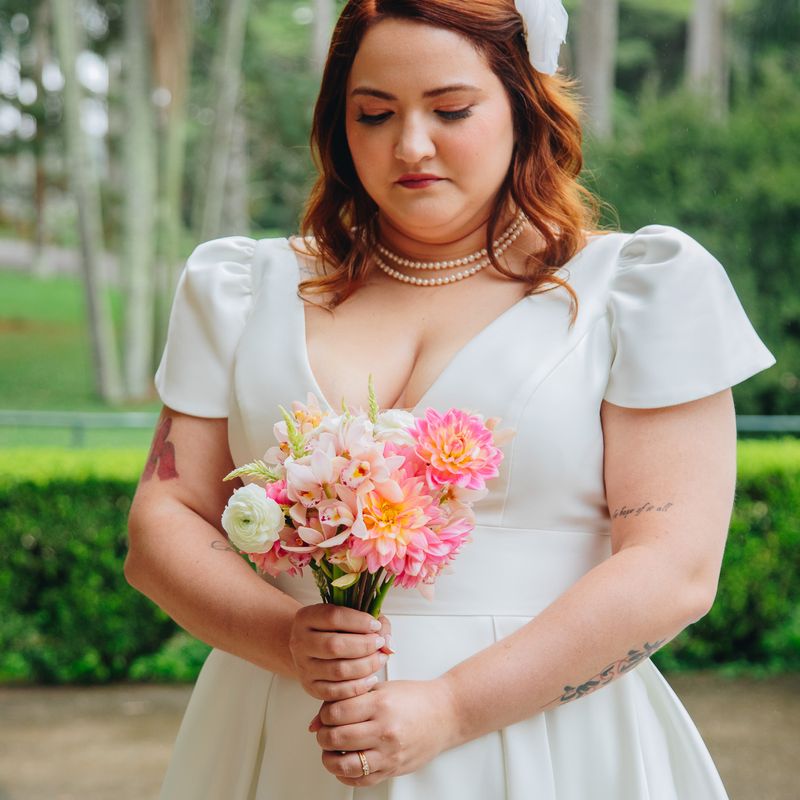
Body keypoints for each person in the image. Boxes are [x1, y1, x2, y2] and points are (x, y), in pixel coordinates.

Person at [125, 1, 777, 797]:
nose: (410, 146)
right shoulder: (239, 288)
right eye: (374, 114)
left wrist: (453, 708)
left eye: (452, 109)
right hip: (283, 729)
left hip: (542, 745)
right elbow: (164, 521)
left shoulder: (639, 292)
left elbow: (674, 570)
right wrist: (287, 638)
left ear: (526, 108)